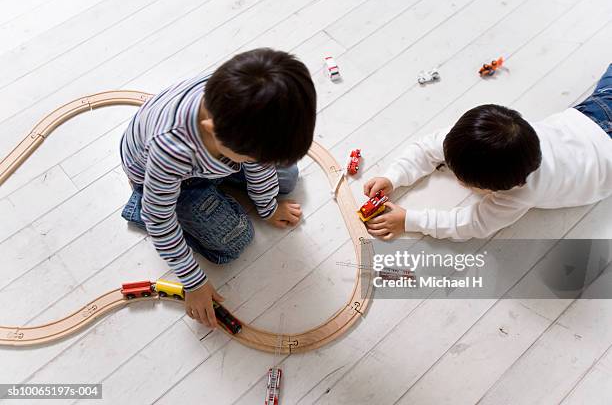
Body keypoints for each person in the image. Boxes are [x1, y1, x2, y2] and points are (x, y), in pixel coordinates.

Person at [119, 48, 316, 327]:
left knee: (287, 178)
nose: (259, 163)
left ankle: (221, 185)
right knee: (236, 240)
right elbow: (160, 221)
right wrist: (194, 283)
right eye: (251, 158)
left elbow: (259, 165)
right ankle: (141, 205)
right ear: (212, 130)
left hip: (214, 161)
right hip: (177, 177)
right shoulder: (171, 149)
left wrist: (268, 206)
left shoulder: (240, 99)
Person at [363, 64, 612, 240]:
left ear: (504, 188)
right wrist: (394, 176)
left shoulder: (521, 194)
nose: (457, 179)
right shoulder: (479, 137)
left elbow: (473, 224)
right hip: (595, 114)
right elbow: (427, 147)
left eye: (461, 177)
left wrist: (409, 220)